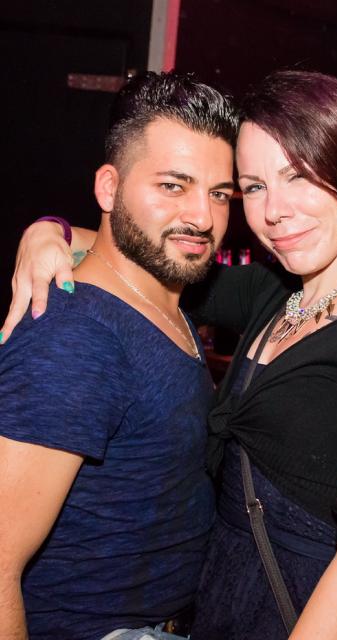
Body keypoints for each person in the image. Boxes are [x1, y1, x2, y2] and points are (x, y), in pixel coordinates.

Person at [1, 71, 337, 639]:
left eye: (297, 177)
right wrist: (46, 233)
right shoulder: (275, 291)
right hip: (216, 611)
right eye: (252, 187)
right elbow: (151, 253)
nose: (275, 211)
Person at [0, 71, 237, 639]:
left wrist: (48, 229)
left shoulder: (162, 295)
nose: (203, 217)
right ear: (109, 188)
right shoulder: (75, 337)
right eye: (173, 186)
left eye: (219, 194)